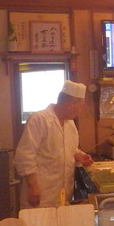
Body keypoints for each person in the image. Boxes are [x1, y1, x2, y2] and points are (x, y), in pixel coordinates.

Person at [14, 80, 93, 208]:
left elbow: (70, 149)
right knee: (38, 221)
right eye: (81, 106)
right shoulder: (39, 120)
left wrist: (79, 155)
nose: (81, 111)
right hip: (41, 194)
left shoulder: (70, 124)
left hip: (62, 195)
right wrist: (33, 186)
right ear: (71, 104)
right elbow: (24, 157)